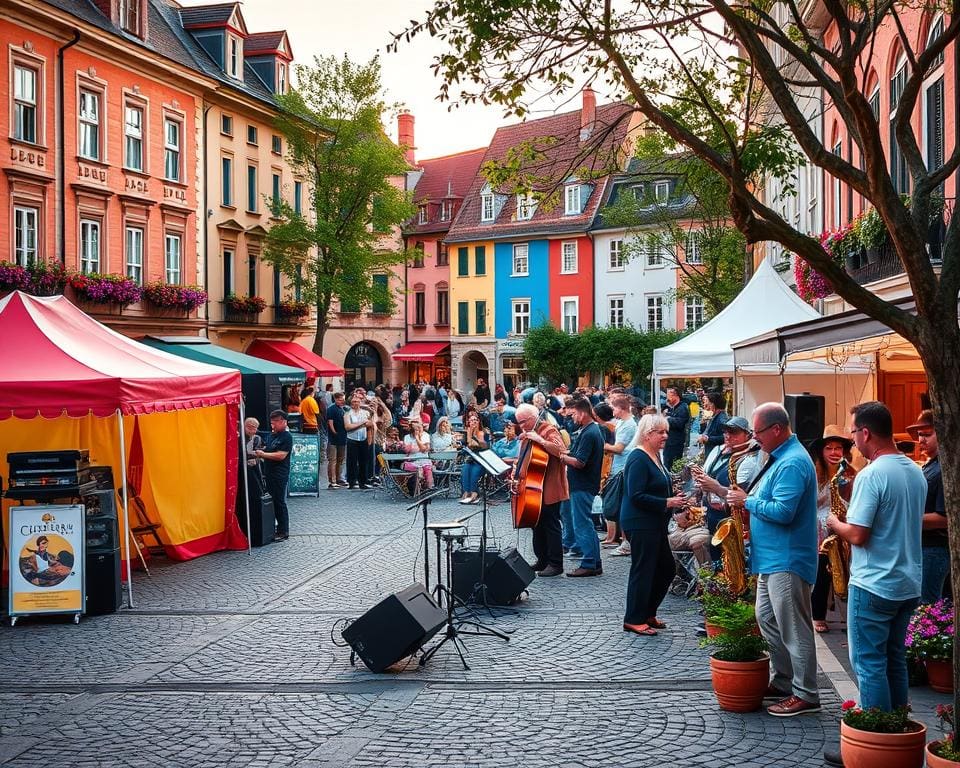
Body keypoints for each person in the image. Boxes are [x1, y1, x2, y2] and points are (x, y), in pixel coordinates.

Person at [826, 402, 925, 719]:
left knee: (868, 662)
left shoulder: (871, 475)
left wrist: (833, 523)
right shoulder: (914, 470)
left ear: (866, 433)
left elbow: (857, 535)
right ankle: (896, 726)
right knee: (894, 658)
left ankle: (875, 732)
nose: (852, 440)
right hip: (907, 582)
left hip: (874, 583)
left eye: (853, 433)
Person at [726, 402, 820, 717]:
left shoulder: (791, 463)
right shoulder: (779, 457)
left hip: (787, 558)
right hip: (772, 558)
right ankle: (784, 680)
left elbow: (783, 511)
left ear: (776, 429)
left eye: (758, 432)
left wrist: (747, 500)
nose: (754, 438)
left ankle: (806, 693)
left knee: (794, 627)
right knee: (767, 619)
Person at [620, 414, 687, 634]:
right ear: (648, 434)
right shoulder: (638, 457)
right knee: (644, 569)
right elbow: (636, 495)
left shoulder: (655, 455)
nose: (666, 436)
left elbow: (656, 486)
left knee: (666, 568)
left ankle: (648, 612)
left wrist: (672, 495)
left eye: (666, 431)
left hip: (654, 522)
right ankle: (634, 618)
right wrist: (667, 501)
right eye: (661, 432)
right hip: (640, 522)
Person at [690, 416, 760, 562]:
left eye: (733, 432)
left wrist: (715, 487)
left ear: (747, 435)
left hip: (730, 517)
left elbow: (742, 494)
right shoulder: (717, 450)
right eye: (725, 431)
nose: (728, 435)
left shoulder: (750, 458)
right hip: (712, 513)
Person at [808, 425, 856, 633]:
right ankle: (818, 614)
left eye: (839, 448)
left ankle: (848, 616)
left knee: (846, 572)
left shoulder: (850, 473)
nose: (835, 453)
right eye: (829, 448)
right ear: (821, 451)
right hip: (817, 530)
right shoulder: (812, 471)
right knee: (821, 572)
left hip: (842, 526)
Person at [515, 402, 569, 577]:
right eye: (519, 423)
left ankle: (556, 563)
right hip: (535, 486)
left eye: (523, 422)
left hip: (550, 487)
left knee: (551, 524)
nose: (521, 426)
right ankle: (542, 559)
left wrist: (541, 440)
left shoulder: (548, 430)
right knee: (536, 524)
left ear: (533, 418)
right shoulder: (528, 433)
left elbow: (561, 451)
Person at [559, 397, 605, 577]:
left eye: (575, 414)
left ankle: (588, 562)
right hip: (583, 484)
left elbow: (579, 462)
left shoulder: (589, 433)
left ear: (583, 412)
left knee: (581, 524)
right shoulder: (590, 430)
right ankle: (595, 561)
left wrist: (561, 457)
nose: (572, 418)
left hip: (582, 485)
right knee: (585, 523)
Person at [906, 410, 949, 604]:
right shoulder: (930, 465)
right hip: (923, 546)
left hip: (934, 548)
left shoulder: (943, 470)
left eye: (927, 434)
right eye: (919, 435)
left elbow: (945, 519)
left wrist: (905, 518)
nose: (921, 439)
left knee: (928, 606)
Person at [254, 410, 293, 541]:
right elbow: (269, 449)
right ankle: (275, 528)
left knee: (279, 501)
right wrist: (261, 452)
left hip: (280, 474)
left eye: (275, 423)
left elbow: (281, 455)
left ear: (283, 422)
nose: (273, 426)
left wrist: (263, 455)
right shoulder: (272, 436)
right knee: (272, 501)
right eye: (271, 423)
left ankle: (283, 530)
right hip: (269, 473)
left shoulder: (286, 437)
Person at [344, 391, 374, 490]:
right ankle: (351, 481)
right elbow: (348, 427)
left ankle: (363, 481)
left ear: (360, 402)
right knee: (352, 461)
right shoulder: (347, 414)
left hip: (363, 438)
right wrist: (361, 424)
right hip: (352, 439)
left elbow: (370, 424)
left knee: (363, 461)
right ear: (351, 403)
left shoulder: (365, 413)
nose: (355, 404)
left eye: (357, 401)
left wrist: (369, 438)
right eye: (353, 402)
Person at [458, 410, 490, 504]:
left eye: (475, 420)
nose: (474, 422)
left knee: (474, 473)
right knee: (465, 471)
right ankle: (466, 492)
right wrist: (469, 434)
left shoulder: (484, 433)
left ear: (479, 421)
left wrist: (475, 437)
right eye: (471, 420)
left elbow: (484, 446)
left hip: (481, 460)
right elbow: (468, 446)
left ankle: (474, 494)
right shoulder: (466, 434)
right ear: (469, 423)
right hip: (470, 459)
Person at [662, 386, 690, 470]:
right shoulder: (673, 408)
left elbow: (680, 423)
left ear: (676, 396)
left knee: (672, 467)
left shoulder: (682, 408)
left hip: (675, 444)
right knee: (667, 464)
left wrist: (667, 419)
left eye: (669, 395)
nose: (667, 398)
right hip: (670, 442)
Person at [402, 418, 435, 489]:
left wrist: (417, 439)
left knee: (427, 470)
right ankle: (418, 489)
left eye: (419, 428)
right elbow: (407, 450)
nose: (417, 430)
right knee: (419, 470)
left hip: (424, 460)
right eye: (415, 428)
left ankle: (430, 487)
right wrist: (420, 448)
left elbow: (424, 449)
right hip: (412, 461)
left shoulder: (425, 435)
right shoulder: (407, 437)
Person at [325, 392, 348, 489]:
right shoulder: (331, 409)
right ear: (335, 399)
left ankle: (339, 478)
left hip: (342, 437)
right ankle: (332, 481)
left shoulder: (342, 408)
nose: (342, 401)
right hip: (334, 438)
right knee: (333, 460)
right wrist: (334, 432)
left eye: (343, 399)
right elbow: (330, 422)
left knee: (340, 459)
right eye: (340, 399)